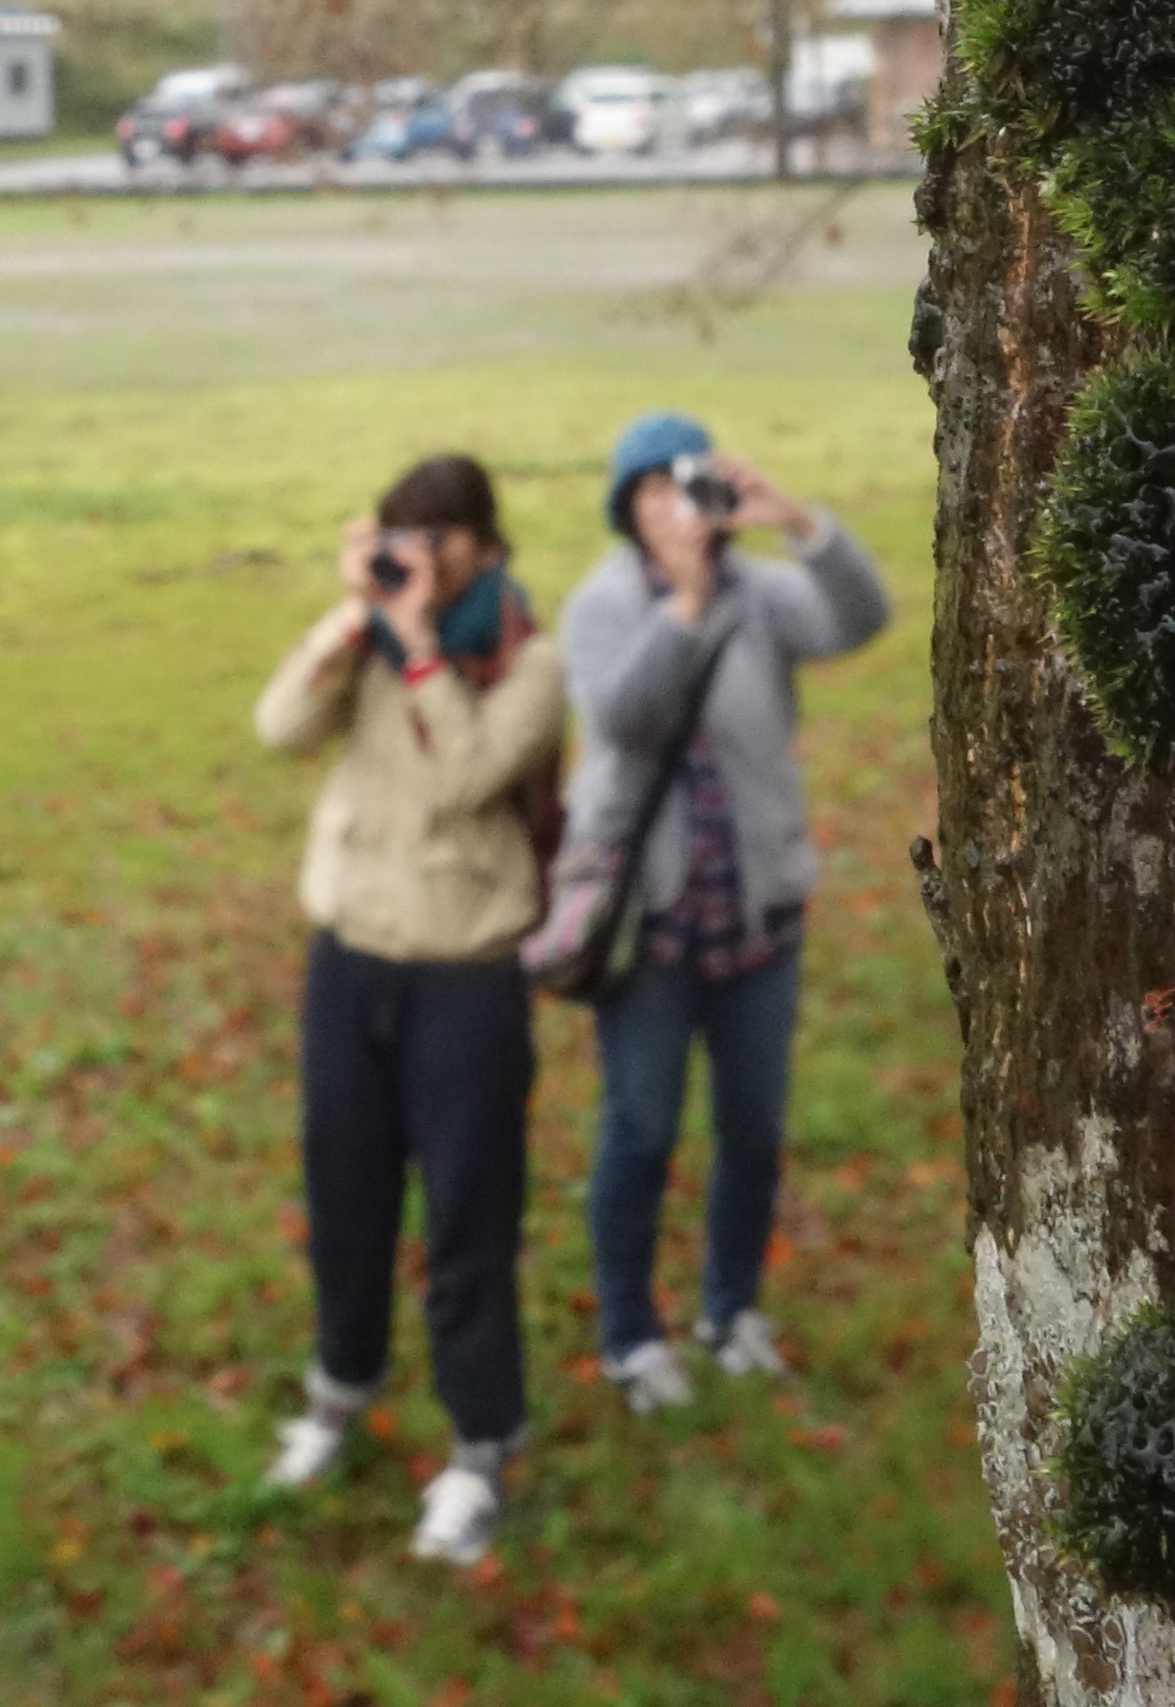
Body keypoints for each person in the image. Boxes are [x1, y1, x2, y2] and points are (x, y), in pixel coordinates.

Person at [249, 452, 568, 1565]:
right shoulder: (371, 643)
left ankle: (480, 1445)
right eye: (399, 536)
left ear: (482, 543)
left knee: (467, 1225)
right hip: (350, 964)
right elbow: (280, 727)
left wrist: (421, 642)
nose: (414, 559)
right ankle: (341, 1389)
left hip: (465, 981)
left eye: (435, 538)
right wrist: (351, 618)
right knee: (344, 1199)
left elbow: (462, 779)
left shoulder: (528, 660)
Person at [560, 412, 890, 1411]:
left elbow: (862, 618)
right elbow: (624, 719)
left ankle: (729, 1310)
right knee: (643, 1128)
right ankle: (629, 1333)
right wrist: (687, 606)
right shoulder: (602, 606)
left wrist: (799, 521)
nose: (672, 506)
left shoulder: (763, 596)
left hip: (757, 913)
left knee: (752, 1128)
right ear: (627, 510)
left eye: (688, 486)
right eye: (650, 491)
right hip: (648, 921)